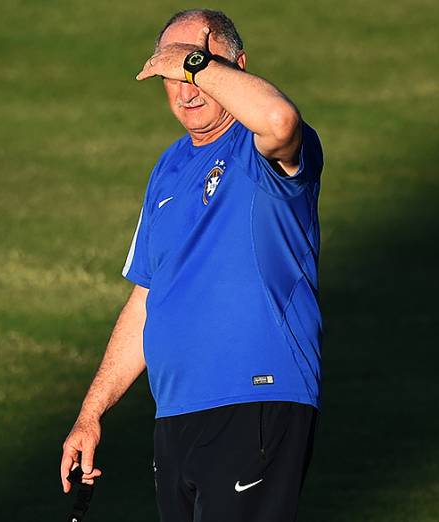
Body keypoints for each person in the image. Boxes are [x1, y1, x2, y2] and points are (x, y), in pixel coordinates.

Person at [60, 8, 324, 521]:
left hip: (254, 400)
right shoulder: (168, 169)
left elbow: (279, 120)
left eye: (196, 68)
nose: (186, 88)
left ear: (237, 66)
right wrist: (91, 414)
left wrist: (193, 62)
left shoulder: (258, 148)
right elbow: (148, 298)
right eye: (171, 73)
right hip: (177, 414)